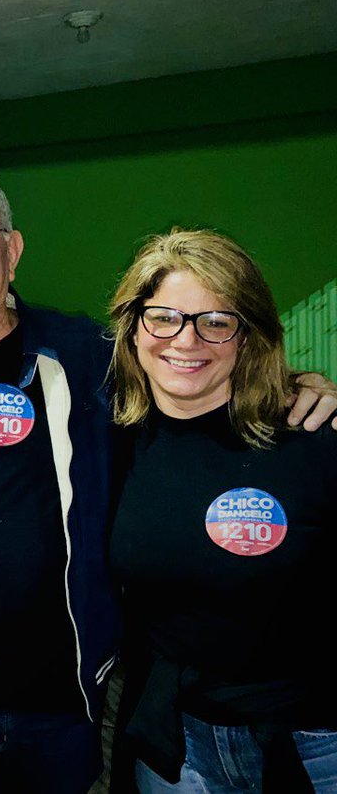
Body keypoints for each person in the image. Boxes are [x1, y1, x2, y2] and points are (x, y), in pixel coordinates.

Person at [0, 164, 337, 794]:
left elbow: (190, 375)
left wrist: (297, 390)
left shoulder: (86, 355)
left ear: (11, 250)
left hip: (59, 702)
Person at [108, 229, 337, 793]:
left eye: (215, 321)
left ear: (248, 335)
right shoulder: (109, 442)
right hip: (180, 749)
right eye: (164, 317)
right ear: (134, 327)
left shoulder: (312, 436)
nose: (186, 340)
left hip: (316, 743)